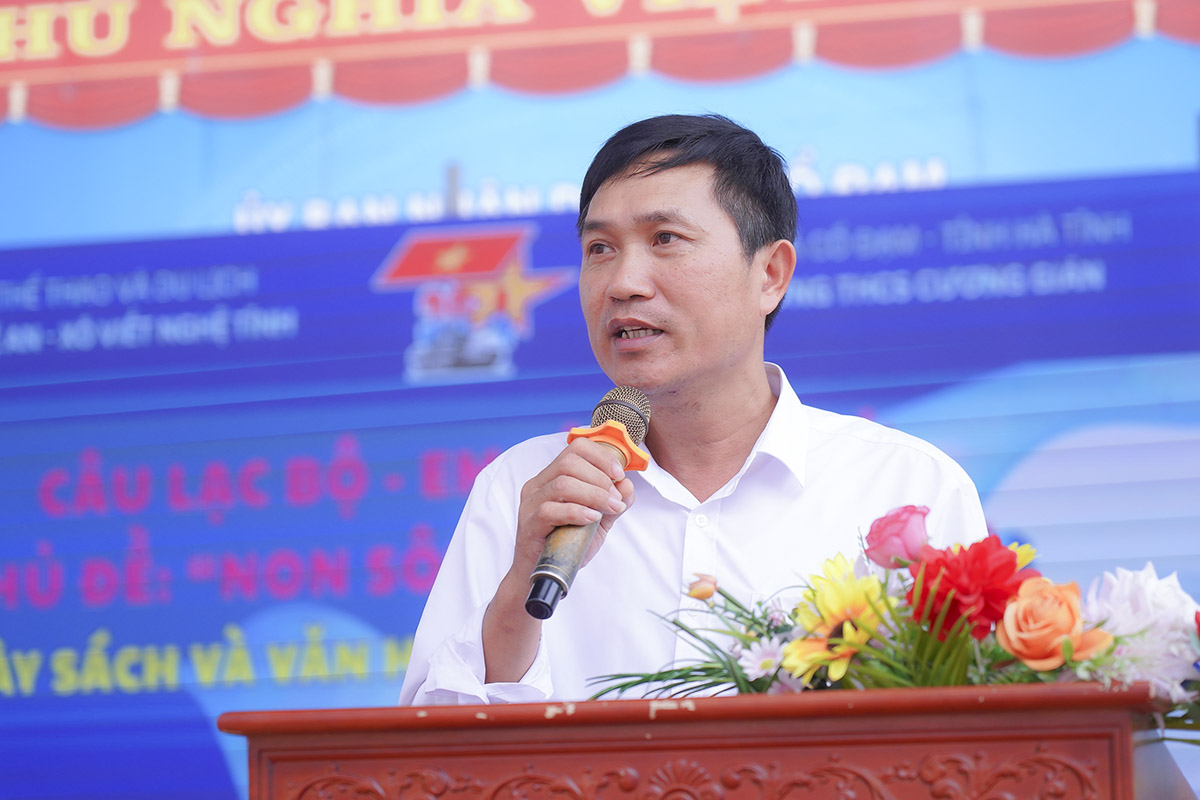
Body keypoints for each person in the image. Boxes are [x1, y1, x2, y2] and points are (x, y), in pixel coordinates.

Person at [398, 114, 988, 705]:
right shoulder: (521, 490)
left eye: (665, 239)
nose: (623, 283)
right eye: (600, 249)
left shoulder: (907, 490)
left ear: (771, 275)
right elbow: (430, 747)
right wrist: (519, 589)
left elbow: (971, 735)